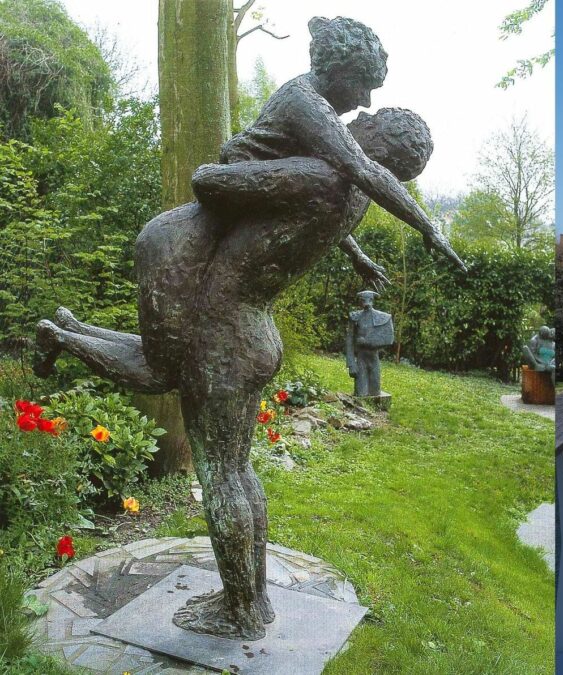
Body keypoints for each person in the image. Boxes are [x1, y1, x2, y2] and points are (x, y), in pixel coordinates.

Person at [32, 17, 466, 641]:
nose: (358, 110)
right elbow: (321, 200)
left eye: (367, 111)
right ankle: (249, 600)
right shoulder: (346, 190)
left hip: (221, 326)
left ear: (369, 139)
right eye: (361, 92)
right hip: (250, 333)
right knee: (236, 468)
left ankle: (239, 606)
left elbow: (211, 181)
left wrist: (427, 227)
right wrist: (372, 247)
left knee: (213, 458)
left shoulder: (325, 172)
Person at [346, 290, 395, 396]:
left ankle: (374, 409)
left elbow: (388, 338)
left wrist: (367, 342)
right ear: (360, 301)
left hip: (374, 357)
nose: (366, 303)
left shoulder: (382, 317)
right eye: (363, 300)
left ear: (372, 301)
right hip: (361, 358)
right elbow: (349, 341)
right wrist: (351, 364)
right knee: (361, 393)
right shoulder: (355, 317)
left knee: (375, 392)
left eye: (369, 300)